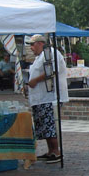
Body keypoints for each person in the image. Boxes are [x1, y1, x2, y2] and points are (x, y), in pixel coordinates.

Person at [26, 34, 69, 163]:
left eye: (32, 45)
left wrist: (34, 81)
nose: (31, 48)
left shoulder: (50, 53)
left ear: (40, 43)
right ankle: (50, 150)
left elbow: (51, 71)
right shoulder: (39, 57)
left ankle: (56, 151)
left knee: (50, 124)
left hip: (49, 97)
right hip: (40, 97)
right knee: (44, 125)